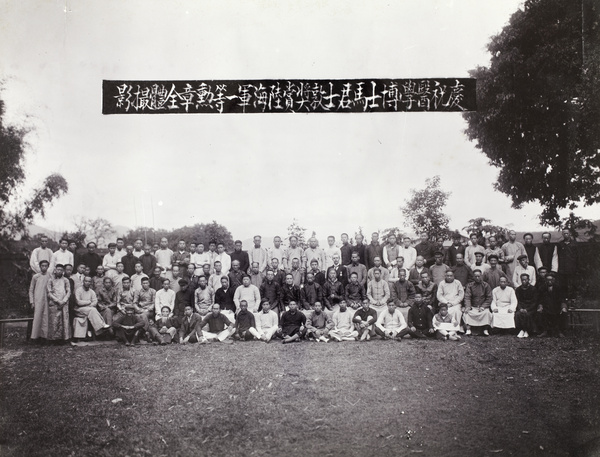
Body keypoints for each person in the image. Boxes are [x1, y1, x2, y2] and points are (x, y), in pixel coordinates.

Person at [46, 264, 71, 342]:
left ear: (63, 271)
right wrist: (57, 301)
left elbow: (68, 291)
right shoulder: (50, 280)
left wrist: (63, 301)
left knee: (64, 320)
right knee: (54, 320)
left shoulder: (66, 280)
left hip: (64, 303)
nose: (59, 271)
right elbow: (49, 292)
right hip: (54, 303)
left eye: (61, 270)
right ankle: (53, 339)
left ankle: (63, 339)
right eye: (58, 269)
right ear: (55, 270)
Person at [463, 270, 493, 336]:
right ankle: (468, 329)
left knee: (487, 313)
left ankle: (485, 329)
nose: (477, 278)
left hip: (483, 306)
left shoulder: (486, 285)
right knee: (467, 313)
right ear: (473, 277)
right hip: (473, 306)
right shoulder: (470, 285)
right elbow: (467, 297)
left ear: (481, 276)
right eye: (475, 276)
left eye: (478, 276)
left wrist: (483, 306)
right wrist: (468, 306)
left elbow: (489, 298)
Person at [537, 273, 567, 338]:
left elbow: (562, 299)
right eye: (547, 280)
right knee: (539, 312)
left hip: (556, 306)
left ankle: (560, 331)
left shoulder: (558, 288)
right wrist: (540, 306)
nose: (549, 281)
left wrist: (563, 307)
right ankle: (544, 331)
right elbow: (539, 299)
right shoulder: (542, 288)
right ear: (545, 280)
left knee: (563, 312)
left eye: (551, 279)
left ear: (554, 280)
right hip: (546, 307)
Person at [29, 260, 51, 342]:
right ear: (40, 266)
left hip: (47, 299)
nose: (44, 267)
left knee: (46, 318)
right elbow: (31, 289)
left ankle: (44, 337)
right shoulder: (35, 277)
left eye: (46, 266)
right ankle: (35, 337)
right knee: (37, 317)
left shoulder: (50, 276)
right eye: (42, 266)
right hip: (38, 299)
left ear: (48, 267)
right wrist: (32, 301)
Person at [556, 229, 579, 302]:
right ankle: (564, 298)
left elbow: (578, 256)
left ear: (570, 234)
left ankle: (573, 298)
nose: (565, 235)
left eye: (567, 233)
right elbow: (558, 256)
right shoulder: (560, 244)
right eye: (564, 233)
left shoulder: (574, 244)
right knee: (563, 284)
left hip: (572, 267)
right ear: (562, 234)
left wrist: (577, 267)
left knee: (573, 283)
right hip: (562, 268)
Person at [515, 273, 538, 338]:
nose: (524, 281)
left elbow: (535, 302)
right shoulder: (518, 289)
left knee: (528, 314)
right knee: (518, 314)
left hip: (530, 307)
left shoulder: (533, 289)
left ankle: (527, 330)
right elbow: (517, 301)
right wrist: (520, 308)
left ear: (528, 280)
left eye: (525, 280)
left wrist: (527, 309)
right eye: (522, 280)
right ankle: (521, 330)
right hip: (521, 306)